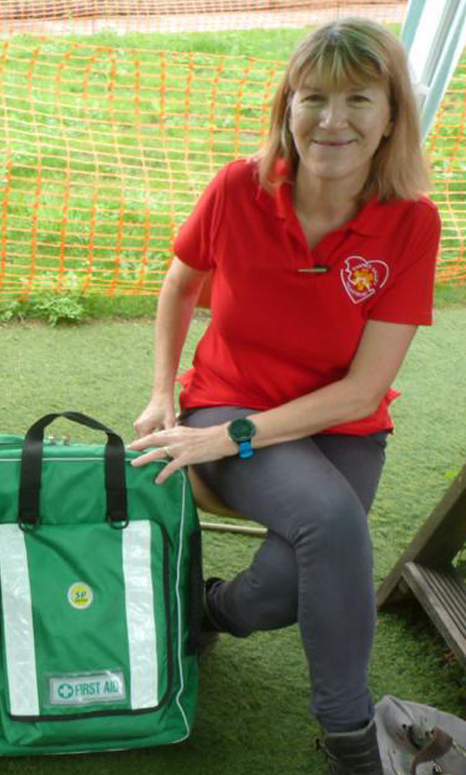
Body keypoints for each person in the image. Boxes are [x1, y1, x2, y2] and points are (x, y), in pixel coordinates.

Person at [129, 18, 439, 775]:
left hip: (338, 425)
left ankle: (209, 609)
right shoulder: (239, 188)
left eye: (358, 100)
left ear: (392, 115)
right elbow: (179, 285)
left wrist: (231, 440)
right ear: (287, 109)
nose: (333, 120)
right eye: (314, 98)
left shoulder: (412, 225)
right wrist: (164, 392)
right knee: (334, 526)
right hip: (225, 401)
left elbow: (361, 390)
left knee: (279, 592)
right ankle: (350, 740)